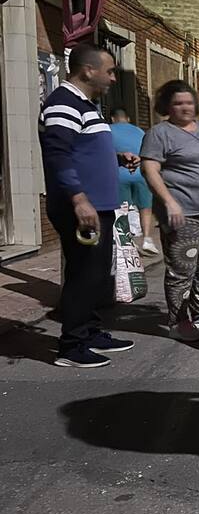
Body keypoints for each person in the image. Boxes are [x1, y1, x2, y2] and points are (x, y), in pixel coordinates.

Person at [38, 44, 138, 368]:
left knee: (96, 275)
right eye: (109, 71)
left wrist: (116, 157)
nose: (112, 78)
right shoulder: (63, 104)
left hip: (99, 206)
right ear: (88, 70)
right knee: (84, 275)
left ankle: (90, 331)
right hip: (81, 208)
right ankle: (72, 346)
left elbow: (81, 149)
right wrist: (79, 199)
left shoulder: (85, 106)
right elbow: (59, 156)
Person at [141, 80, 199, 342]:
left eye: (188, 102)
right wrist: (170, 202)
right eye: (178, 103)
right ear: (167, 107)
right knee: (182, 269)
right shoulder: (160, 134)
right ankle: (178, 321)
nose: (185, 107)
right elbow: (150, 170)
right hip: (184, 213)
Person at [110, 108, 157, 255]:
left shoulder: (107, 130)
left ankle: (128, 241)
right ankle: (147, 239)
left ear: (112, 118)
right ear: (128, 119)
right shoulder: (139, 131)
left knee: (122, 210)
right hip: (140, 174)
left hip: (119, 175)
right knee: (145, 207)